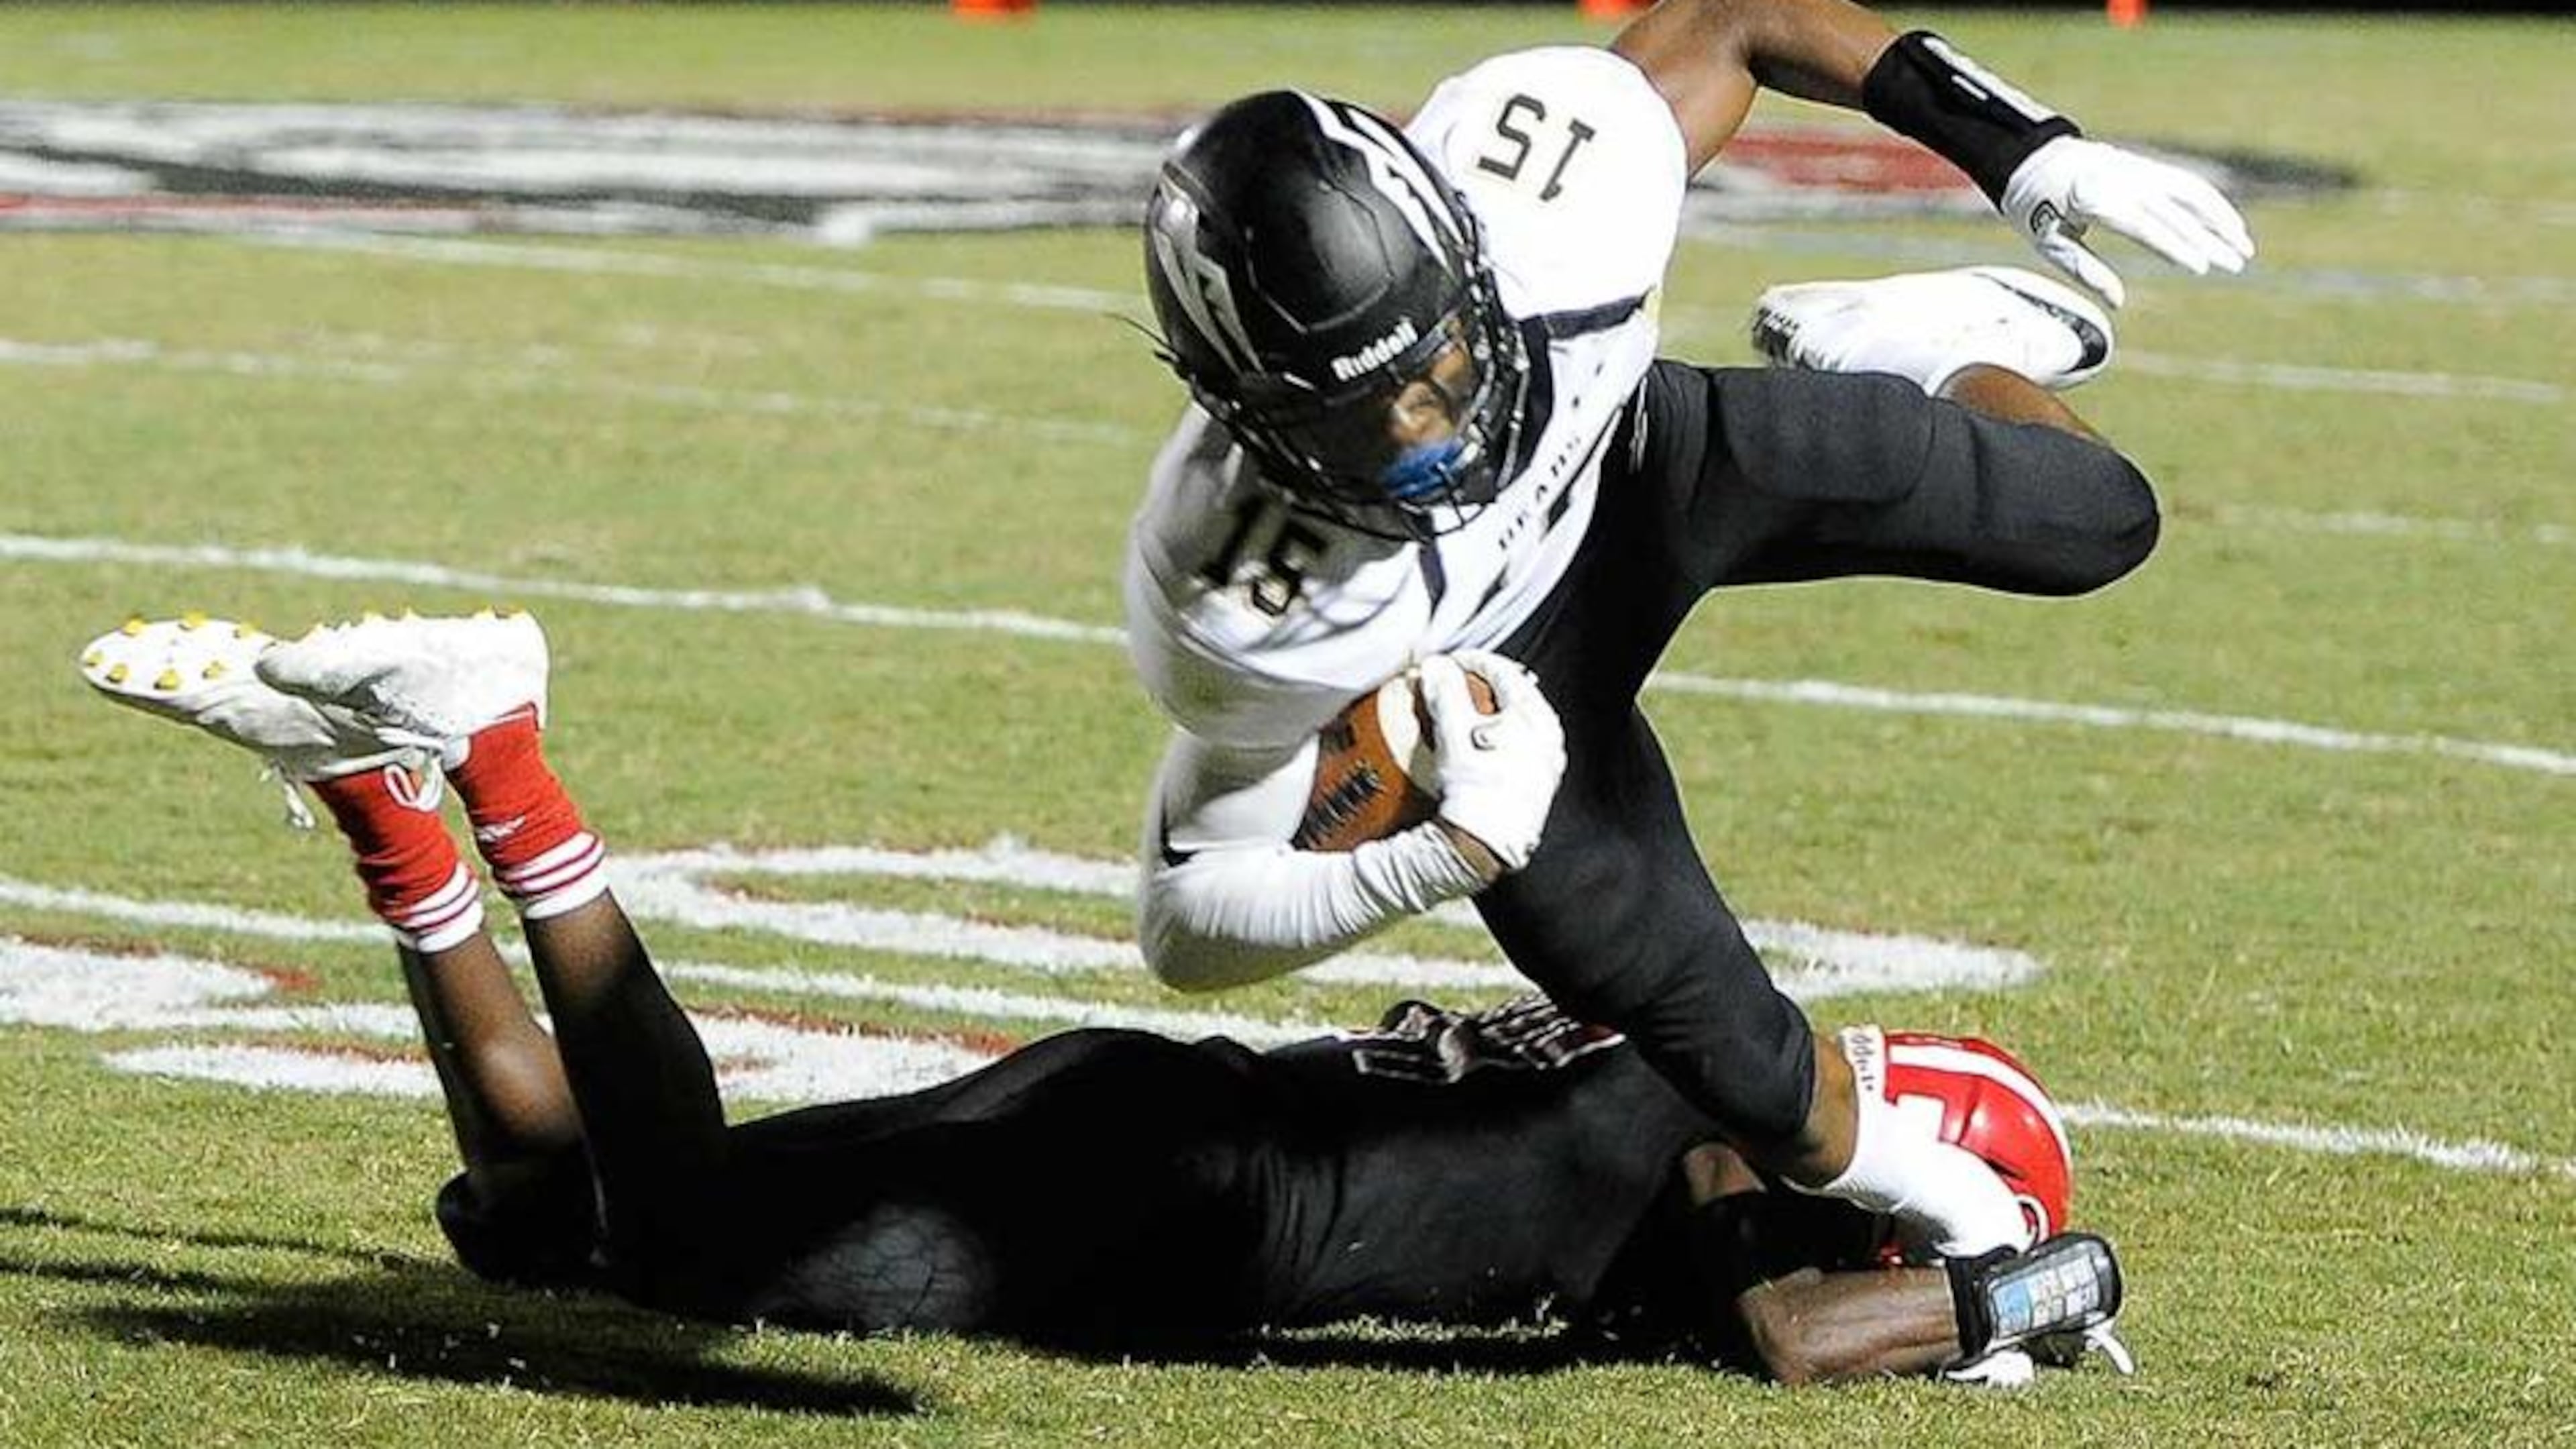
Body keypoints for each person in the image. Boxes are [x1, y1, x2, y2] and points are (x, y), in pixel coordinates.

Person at [78, 609, 2125, 1382]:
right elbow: (1792, 1336)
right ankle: (504, 755)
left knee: (551, 1230)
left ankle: (387, 808)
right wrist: (2036, 1281)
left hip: (1152, 1113)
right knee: (680, 1245)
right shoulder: (1728, 1137)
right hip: (1174, 1211)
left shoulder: (1702, 1034)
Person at [1124, 1, 2253, 1256]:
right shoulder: (1239, 596)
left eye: (1438, 365)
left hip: (1639, 466)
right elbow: (1188, 924)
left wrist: (2022, 148)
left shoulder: (1550, 190)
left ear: (1467, 251)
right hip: (1506, 683)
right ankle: (1965, 1217)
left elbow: (1739, 17)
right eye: (1359, 417)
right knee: (1743, 1068)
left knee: (2096, 519)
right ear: (1245, 415)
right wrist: (1442, 854)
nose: (1428, 432)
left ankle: (1914, 349)